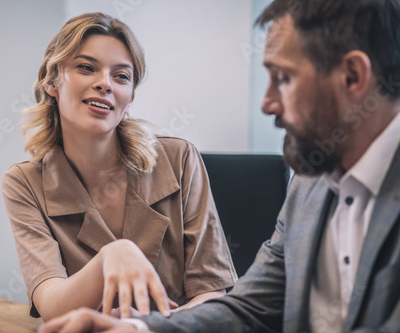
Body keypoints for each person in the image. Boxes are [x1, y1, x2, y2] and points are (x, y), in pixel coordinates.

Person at [37, 0, 400, 332]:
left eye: (284, 78)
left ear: (352, 76)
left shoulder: (180, 158)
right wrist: (136, 330)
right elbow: (250, 308)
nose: (267, 103)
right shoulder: (309, 184)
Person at [1, 12, 236, 323]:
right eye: (86, 68)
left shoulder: (180, 159)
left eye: (121, 76)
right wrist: (111, 257)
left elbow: (211, 295)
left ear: (131, 97)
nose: (104, 84)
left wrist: (143, 328)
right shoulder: (24, 183)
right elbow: (51, 304)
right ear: (52, 82)